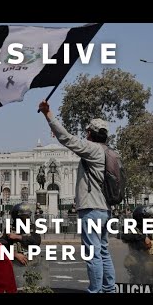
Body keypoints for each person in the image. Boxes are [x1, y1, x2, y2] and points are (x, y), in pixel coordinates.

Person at [39, 100, 115, 293]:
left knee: (93, 254)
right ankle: (109, 290)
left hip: (91, 209)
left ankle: (96, 291)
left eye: (87, 131)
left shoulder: (92, 149)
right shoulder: (111, 152)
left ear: (90, 133)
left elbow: (67, 139)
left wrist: (48, 114)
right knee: (104, 252)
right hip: (105, 209)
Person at [0, 203, 42, 269]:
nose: (26, 219)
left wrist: (17, 237)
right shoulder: (10, 229)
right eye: (24, 217)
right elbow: (1, 245)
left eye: (28, 216)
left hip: (32, 264)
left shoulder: (32, 227)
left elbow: (37, 241)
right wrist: (15, 254)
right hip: (15, 264)